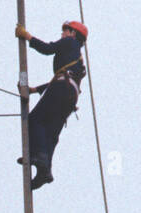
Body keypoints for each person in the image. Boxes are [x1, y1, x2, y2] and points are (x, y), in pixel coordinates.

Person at [15, 20, 88, 189]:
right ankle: (45, 170)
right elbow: (62, 78)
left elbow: (48, 49)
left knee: (34, 120)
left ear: (73, 33)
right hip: (70, 95)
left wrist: (27, 36)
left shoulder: (69, 42)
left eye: (65, 31)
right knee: (51, 133)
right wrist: (33, 90)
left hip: (62, 88)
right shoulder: (77, 59)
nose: (62, 34)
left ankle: (40, 157)